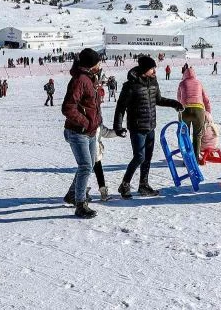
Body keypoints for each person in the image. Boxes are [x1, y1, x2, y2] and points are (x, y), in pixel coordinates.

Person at [113, 56, 184, 199]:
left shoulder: (153, 82)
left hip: (151, 126)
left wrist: (174, 104)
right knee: (139, 156)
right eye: (152, 68)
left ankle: (143, 185)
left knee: (148, 157)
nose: (154, 71)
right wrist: (118, 127)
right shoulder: (130, 85)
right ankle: (125, 184)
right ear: (145, 69)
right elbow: (120, 108)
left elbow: (158, 100)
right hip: (137, 127)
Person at [61, 48, 103, 219]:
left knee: (89, 164)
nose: (100, 65)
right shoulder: (80, 80)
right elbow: (68, 107)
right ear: (91, 64)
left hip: (90, 130)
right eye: (98, 62)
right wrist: (85, 123)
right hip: (78, 131)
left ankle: (72, 194)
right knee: (86, 166)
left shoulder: (90, 78)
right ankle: (80, 204)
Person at [177, 67, 212, 161]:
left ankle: (186, 159)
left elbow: (179, 99)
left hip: (185, 110)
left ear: (184, 75)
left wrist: (180, 112)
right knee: (197, 135)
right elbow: (206, 99)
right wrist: (208, 111)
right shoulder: (199, 83)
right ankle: (195, 159)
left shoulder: (182, 83)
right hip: (198, 110)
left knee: (185, 135)